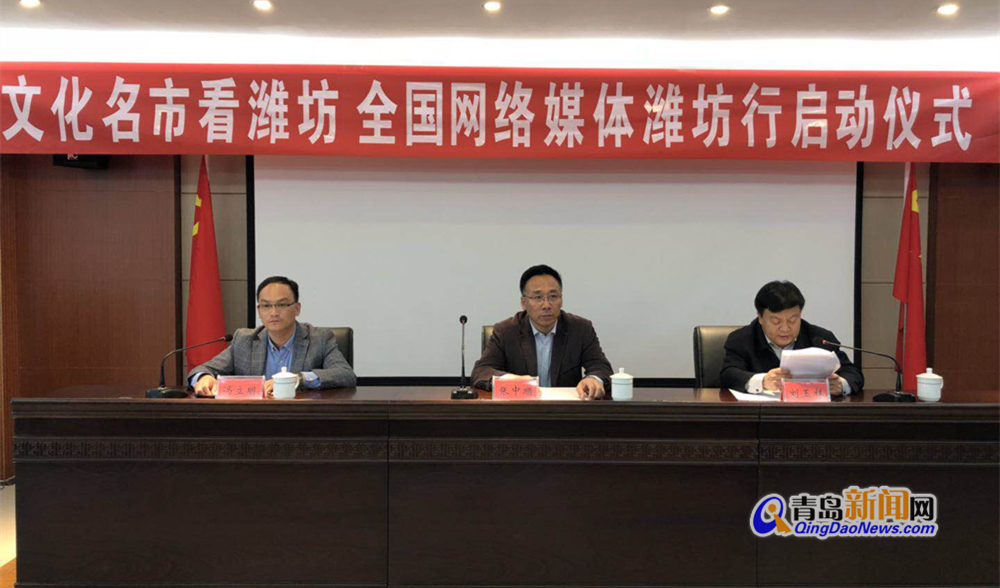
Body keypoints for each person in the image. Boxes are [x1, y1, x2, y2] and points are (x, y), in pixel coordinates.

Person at [188, 276, 356, 396]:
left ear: (297, 308)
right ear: (259, 311)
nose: (274, 312)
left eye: (282, 305)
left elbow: (345, 374)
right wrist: (204, 378)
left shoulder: (319, 339)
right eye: (266, 306)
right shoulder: (244, 340)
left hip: (302, 419)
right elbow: (202, 369)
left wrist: (298, 379)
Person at [471, 264, 613, 400]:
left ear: (561, 299)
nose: (546, 305)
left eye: (553, 296)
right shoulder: (506, 331)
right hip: (521, 410)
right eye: (537, 297)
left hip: (566, 410)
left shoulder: (580, 329)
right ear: (523, 303)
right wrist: (509, 379)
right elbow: (481, 371)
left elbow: (601, 367)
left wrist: (593, 379)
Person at [720, 280, 863, 396]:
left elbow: (853, 373)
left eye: (792, 320)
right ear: (760, 317)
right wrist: (762, 381)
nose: (785, 328)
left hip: (810, 414)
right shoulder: (741, 339)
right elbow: (728, 374)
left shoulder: (820, 338)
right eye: (776, 321)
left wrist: (841, 385)